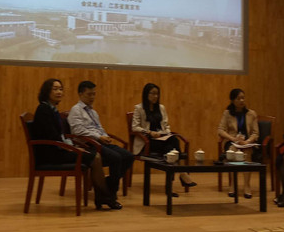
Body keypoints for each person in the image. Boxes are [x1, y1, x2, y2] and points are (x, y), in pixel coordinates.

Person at [30, 78, 117, 210]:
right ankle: (105, 197)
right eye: (55, 89)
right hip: (51, 154)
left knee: (95, 156)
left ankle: (103, 197)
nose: (59, 92)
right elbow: (52, 137)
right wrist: (71, 149)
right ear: (46, 91)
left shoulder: (51, 109)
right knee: (95, 157)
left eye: (61, 89)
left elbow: (60, 136)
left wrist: (73, 147)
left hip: (57, 150)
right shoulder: (43, 109)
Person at [68, 80, 134, 209]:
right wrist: (99, 137)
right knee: (116, 158)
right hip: (89, 145)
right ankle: (110, 196)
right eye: (89, 94)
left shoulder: (93, 112)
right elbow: (77, 131)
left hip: (100, 143)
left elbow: (99, 128)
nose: (92, 97)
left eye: (94, 94)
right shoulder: (76, 110)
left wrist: (105, 136)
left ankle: (107, 186)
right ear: (80, 94)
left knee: (128, 156)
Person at [131, 82, 196, 194]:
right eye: (152, 93)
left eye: (157, 94)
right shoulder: (139, 108)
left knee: (172, 143)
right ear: (146, 94)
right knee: (171, 149)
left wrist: (165, 133)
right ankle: (180, 175)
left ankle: (172, 183)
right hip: (147, 141)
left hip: (161, 138)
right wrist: (149, 132)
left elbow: (166, 126)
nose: (155, 96)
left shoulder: (161, 108)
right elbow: (135, 127)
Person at [217, 88, 260, 199]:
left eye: (243, 98)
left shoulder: (251, 114)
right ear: (233, 100)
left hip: (247, 142)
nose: (242, 100)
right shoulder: (227, 113)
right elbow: (220, 130)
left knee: (247, 151)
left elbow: (256, 133)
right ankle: (232, 184)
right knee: (232, 151)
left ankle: (247, 185)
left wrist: (247, 141)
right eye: (238, 98)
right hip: (233, 142)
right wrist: (233, 138)